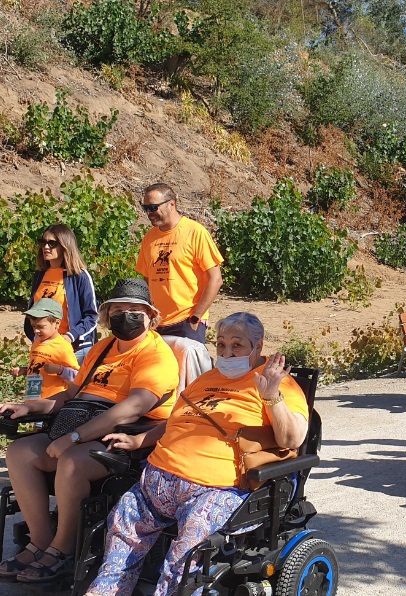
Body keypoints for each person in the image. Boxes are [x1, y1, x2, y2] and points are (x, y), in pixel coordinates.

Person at [83, 312, 309, 596]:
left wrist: (271, 396)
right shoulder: (205, 380)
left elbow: (293, 438)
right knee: (123, 521)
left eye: (237, 346)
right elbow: (177, 420)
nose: (227, 352)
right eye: (221, 344)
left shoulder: (277, 382)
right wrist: (140, 439)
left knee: (186, 551)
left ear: (258, 346)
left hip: (215, 490)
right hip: (156, 485)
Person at [0, 278, 179, 583]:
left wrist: (74, 438)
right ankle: (40, 541)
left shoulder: (156, 355)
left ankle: (63, 550)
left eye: (135, 310)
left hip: (126, 436)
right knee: (19, 452)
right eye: (119, 310)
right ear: (109, 317)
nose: (127, 316)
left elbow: (132, 408)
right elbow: (72, 395)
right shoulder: (102, 349)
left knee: (70, 461)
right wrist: (29, 407)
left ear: (151, 316)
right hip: (83, 424)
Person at [137, 183, 224, 343]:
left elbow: (216, 279)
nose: (149, 213)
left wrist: (196, 316)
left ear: (171, 204)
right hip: (157, 321)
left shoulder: (195, 232)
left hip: (187, 320)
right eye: (146, 208)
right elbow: (147, 279)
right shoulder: (149, 237)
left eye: (153, 207)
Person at [26, 224, 98, 364]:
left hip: (75, 349)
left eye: (52, 243)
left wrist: (71, 336)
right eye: (43, 242)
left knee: (74, 386)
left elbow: (92, 316)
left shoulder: (79, 276)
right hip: (46, 347)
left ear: (65, 245)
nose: (46, 247)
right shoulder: (40, 274)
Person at [10, 299, 79, 400]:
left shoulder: (63, 347)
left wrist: (60, 370)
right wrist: (24, 370)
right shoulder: (37, 342)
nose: (36, 331)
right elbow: (38, 368)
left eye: (40, 327)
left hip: (52, 401)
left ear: (57, 323)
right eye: (33, 326)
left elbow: (77, 377)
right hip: (33, 399)